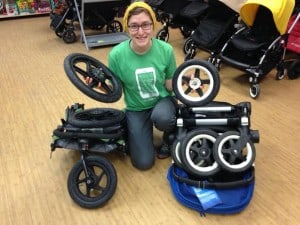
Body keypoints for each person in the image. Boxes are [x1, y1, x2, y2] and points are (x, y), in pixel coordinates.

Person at [108, 1, 178, 170]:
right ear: (127, 28)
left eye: (146, 25)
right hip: (135, 108)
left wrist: (183, 81)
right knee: (144, 162)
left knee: (164, 118)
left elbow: (169, 86)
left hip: (161, 102)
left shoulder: (166, 50)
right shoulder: (116, 55)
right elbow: (114, 91)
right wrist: (97, 84)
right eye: (134, 26)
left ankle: (169, 138)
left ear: (153, 25)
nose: (140, 32)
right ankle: (131, 125)